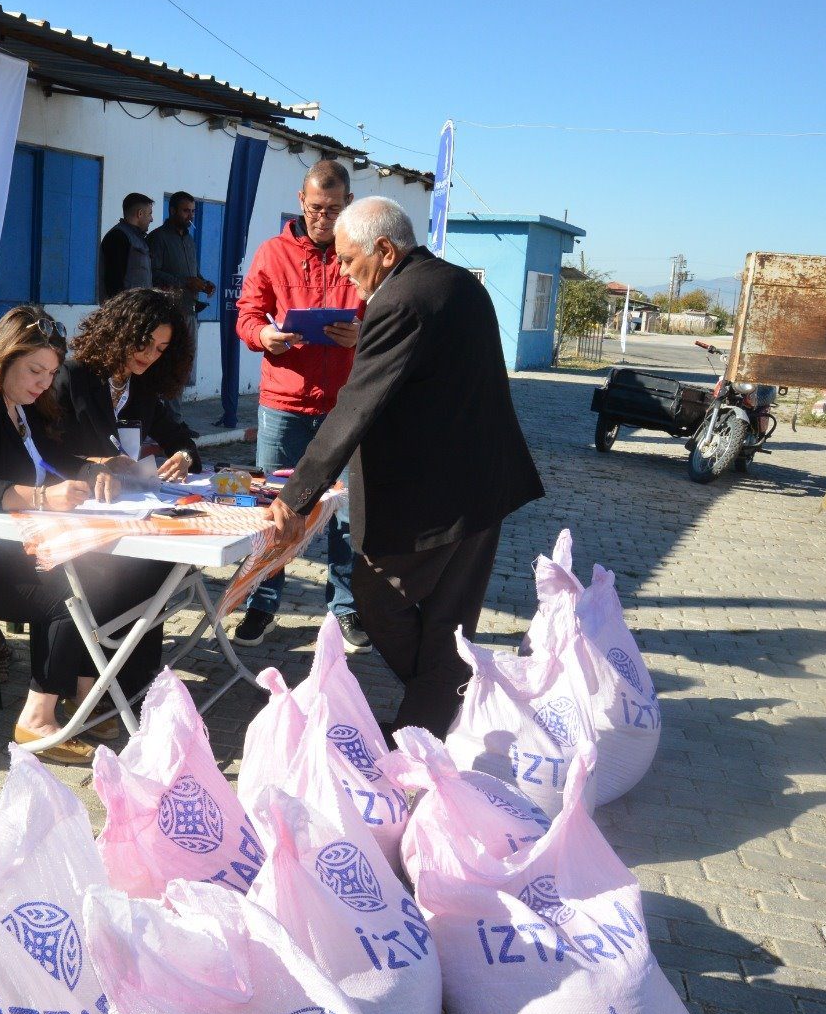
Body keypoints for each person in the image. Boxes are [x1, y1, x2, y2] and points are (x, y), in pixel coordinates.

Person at [266, 196, 544, 741]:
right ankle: (429, 725)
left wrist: (296, 496)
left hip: (434, 498)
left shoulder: (401, 302)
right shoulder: (459, 282)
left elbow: (356, 405)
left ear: (385, 250)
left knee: (378, 598)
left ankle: (435, 708)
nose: (343, 272)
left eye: (348, 260)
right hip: (483, 483)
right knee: (448, 621)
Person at [0, 306, 167, 764]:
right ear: (3, 360)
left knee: (114, 571)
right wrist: (43, 498)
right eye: (35, 370)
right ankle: (37, 719)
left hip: (1, 547)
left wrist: (93, 473)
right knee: (69, 593)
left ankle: (85, 696)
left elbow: (59, 455)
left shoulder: (26, 409)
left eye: (52, 372)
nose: (44, 382)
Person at [230, 159, 366, 650]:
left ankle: (346, 609)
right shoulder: (272, 253)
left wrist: (361, 333)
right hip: (283, 405)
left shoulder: (363, 254)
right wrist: (264, 335)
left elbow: (389, 319)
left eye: (333, 209)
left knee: (348, 515)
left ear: (349, 204)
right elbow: (246, 316)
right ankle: (260, 605)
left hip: (346, 407)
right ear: (300, 201)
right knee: (275, 510)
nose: (323, 218)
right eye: (315, 208)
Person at [36, 287, 201, 488]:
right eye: (144, 342)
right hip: (71, 496)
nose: (150, 355)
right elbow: (42, 448)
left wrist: (184, 456)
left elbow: (178, 437)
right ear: (121, 333)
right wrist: (102, 463)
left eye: (160, 349)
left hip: (125, 502)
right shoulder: (73, 377)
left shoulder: (143, 389)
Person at [147, 191, 216, 426]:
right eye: (186, 211)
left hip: (188, 311)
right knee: (168, 366)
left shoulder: (188, 240)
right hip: (167, 314)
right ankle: (166, 421)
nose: (190, 216)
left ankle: (175, 420)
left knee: (183, 365)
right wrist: (185, 282)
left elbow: (191, 274)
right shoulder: (158, 238)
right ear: (173, 210)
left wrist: (203, 282)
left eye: (193, 211)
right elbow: (153, 273)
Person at [98, 193, 154, 301]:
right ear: (140, 214)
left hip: (137, 311)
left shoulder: (138, 239)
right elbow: (113, 281)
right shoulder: (118, 237)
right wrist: (121, 312)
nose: (151, 219)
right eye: (150, 213)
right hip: (125, 313)